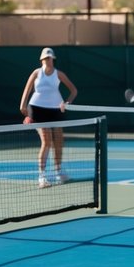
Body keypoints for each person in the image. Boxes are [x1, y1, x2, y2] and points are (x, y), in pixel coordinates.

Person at [18, 47, 78, 188]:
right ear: (41, 60)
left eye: (49, 58)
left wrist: (67, 103)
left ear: (53, 59)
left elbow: (74, 90)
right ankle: (42, 177)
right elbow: (27, 89)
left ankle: (59, 171)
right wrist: (23, 105)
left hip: (55, 111)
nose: (47, 60)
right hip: (37, 110)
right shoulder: (36, 73)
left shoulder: (59, 74)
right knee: (46, 141)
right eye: (45, 58)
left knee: (59, 141)